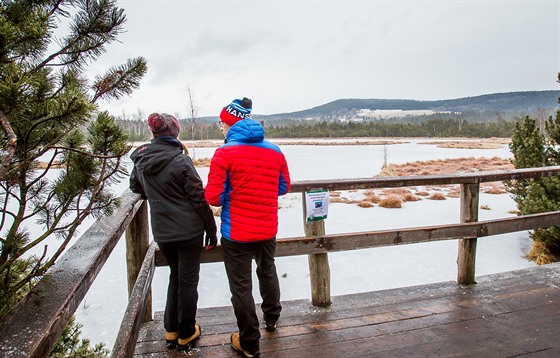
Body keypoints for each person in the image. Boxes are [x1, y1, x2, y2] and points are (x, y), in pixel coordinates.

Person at [205, 97, 291, 357]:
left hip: (236, 232)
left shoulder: (224, 153)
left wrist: (232, 193)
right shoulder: (274, 150)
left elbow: (212, 197)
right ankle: (272, 318)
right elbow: (283, 186)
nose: (220, 126)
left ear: (230, 124)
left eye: (221, 122)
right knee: (267, 271)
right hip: (266, 228)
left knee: (240, 286)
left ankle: (250, 342)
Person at [129, 113, 217, 351]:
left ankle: (171, 330)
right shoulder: (181, 161)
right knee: (187, 281)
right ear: (175, 134)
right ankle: (186, 332)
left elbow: (135, 187)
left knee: (175, 276)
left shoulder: (141, 160)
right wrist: (211, 228)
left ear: (154, 134)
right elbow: (198, 198)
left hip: (163, 232)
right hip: (189, 232)